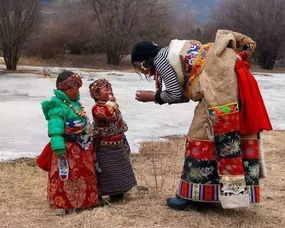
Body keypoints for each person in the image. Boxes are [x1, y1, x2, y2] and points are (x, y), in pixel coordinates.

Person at [131, 30, 272, 210]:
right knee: (224, 142)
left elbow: (177, 95)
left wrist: (154, 97)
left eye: (141, 66)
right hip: (231, 86)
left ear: (145, 60)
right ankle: (214, 194)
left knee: (200, 140)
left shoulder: (161, 60)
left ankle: (192, 197)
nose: (145, 70)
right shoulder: (177, 47)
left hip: (218, 93)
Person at [38, 71, 98, 215]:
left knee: (82, 174)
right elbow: (55, 129)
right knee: (64, 176)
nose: (77, 91)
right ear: (64, 89)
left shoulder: (75, 104)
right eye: (74, 88)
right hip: (66, 148)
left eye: (78, 88)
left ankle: (84, 201)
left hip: (81, 147)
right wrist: (58, 146)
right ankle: (62, 204)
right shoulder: (57, 106)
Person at [89, 78, 137, 202]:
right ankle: (106, 193)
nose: (110, 91)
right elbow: (109, 115)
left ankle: (119, 193)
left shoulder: (111, 105)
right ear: (96, 94)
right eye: (106, 89)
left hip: (118, 144)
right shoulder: (97, 108)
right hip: (105, 147)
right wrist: (111, 104)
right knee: (107, 171)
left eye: (111, 88)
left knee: (119, 169)